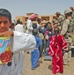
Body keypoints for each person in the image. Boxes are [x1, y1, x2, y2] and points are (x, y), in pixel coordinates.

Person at [0, 8, 36, 75]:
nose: (2, 26)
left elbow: (32, 43)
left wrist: (12, 35)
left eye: (5, 22)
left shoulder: (17, 37)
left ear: (10, 23)